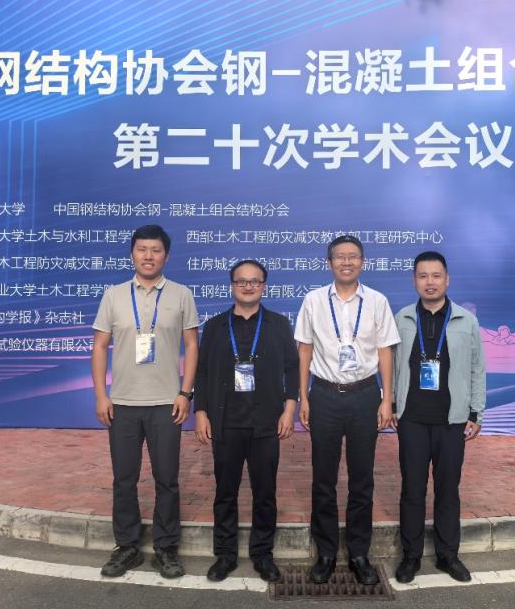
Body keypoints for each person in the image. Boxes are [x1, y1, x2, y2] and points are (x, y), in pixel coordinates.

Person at [91, 224, 199, 579]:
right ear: (132, 254)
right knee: (124, 478)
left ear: (166, 256)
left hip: (166, 403)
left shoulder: (181, 294)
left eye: (155, 250)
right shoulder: (113, 295)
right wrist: (102, 395)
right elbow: (100, 347)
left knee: (167, 478)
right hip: (122, 403)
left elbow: (192, 345)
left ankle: (166, 548)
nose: (148, 256)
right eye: (142, 249)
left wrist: (185, 392)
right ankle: (127, 546)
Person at [295, 234, 400, 586]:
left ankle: (358, 553)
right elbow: (304, 349)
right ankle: (325, 552)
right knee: (323, 478)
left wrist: (386, 398)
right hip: (324, 396)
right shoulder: (313, 300)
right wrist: (304, 397)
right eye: (340, 257)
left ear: (362, 262)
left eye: (353, 256)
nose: (346, 262)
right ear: (329, 263)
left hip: (364, 396)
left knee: (362, 478)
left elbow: (385, 351)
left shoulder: (377, 301)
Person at [193, 259, 299, 582]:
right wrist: (201, 412)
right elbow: (202, 371)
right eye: (242, 281)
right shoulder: (215, 326)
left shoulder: (279, 325)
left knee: (264, 492)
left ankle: (262, 554)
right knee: (225, 492)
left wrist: (289, 409)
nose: (248, 286)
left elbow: (292, 368)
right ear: (232, 286)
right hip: (225, 422)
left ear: (263, 286)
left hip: (265, 422)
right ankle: (225, 555)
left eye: (255, 281)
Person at [391, 250, 485, 584]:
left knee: (448, 490)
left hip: (452, 420)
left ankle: (448, 556)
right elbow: (391, 365)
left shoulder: (465, 320)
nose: (429, 282)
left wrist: (476, 412)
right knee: (412, 490)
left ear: (447, 279)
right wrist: (391, 405)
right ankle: (411, 557)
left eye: (436, 276)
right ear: (414, 280)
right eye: (422, 276)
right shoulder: (402, 318)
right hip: (412, 419)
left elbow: (477, 368)